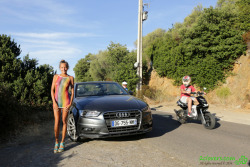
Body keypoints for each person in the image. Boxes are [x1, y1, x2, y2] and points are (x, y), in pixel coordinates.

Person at [51, 60, 74, 153]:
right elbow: (52, 90)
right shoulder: (56, 76)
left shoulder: (71, 78)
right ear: (59, 68)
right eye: (62, 67)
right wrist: (54, 102)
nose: (63, 69)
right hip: (56, 102)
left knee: (64, 121)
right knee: (56, 122)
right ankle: (56, 141)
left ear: (67, 68)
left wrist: (70, 104)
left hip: (66, 102)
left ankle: (62, 142)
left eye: (65, 67)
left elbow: (72, 92)